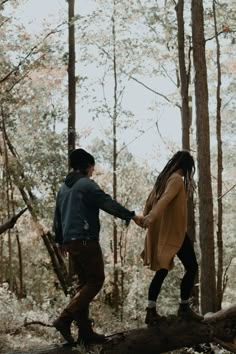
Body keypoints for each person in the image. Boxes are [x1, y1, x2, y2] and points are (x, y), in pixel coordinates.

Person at [53, 148, 142, 344]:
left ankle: (85, 333)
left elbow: (57, 216)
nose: (93, 171)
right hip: (86, 241)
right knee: (96, 281)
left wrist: (59, 240)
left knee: (83, 286)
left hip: (70, 242)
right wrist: (131, 215)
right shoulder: (87, 185)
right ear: (86, 166)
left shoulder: (63, 188)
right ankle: (64, 318)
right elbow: (107, 203)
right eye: (92, 167)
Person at [141, 150, 203, 326]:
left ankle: (151, 311)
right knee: (192, 267)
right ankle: (184, 308)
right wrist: (150, 217)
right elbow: (165, 200)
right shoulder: (176, 180)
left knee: (162, 269)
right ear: (187, 167)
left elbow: (149, 204)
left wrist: (147, 217)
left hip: (163, 233)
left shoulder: (162, 180)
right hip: (174, 233)